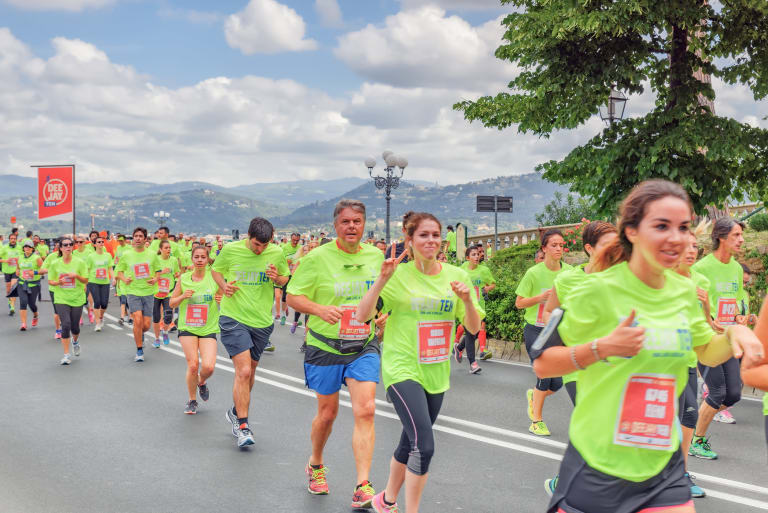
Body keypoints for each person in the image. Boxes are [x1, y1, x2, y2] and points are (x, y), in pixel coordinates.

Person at [533, 179, 764, 513]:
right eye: (661, 226)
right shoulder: (593, 289)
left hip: (662, 461)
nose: (676, 237)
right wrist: (602, 347)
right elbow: (542, 362)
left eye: (683, 227)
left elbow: (705, 351)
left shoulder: (683, 291)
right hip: (600, 462)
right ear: (632, 232)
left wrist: (732, 335)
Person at [356, 212, 482, 513]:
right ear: (409, 241)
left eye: (435, 235)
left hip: (436, 371)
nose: (431, 241)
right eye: (423, 235)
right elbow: (362, 316)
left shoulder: (457, 276)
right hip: (402, 369)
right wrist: (381, 280)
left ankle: (385, 500)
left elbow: (474, 329)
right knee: (424, 446)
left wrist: (466, 301)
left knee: (408, 441)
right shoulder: (397, 274)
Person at [286, 200, 384, 507]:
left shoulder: (376, 255)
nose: (351, 226)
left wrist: (382, 315)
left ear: (364, 224)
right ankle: (315, 463)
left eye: (357, 221)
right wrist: (319, 309)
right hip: (325, 345)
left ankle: (363, 485)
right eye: (346, 222)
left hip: (363, 345)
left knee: (366, 409)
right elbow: (292, 296)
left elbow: (381, 294)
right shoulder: (316, 258)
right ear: (336, 226)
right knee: (327, 414)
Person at [538, 220, 619, 496]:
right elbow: (549, 313)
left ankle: (566, 482)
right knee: (598, 427)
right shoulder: (568, 278)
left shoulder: (623, 279)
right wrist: (562, 338)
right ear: (589, 248)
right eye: (608, 244)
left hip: (614, 369)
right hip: (578, 366)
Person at [211, 217, 289, 448]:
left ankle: (236, 411)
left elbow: (286, 279)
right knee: (243, 371)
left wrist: (278, 278)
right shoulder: (230, 250)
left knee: (250, 371)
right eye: (256, 244)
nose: (260, 249)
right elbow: (216, 270)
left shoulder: (276, 252)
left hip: (262, 321)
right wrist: (224, 287)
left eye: (264, 246)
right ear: (248, 236)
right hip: (233, 317)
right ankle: (243, 426)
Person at [690, 217, 745, 458]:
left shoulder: (736, 267)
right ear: (721, 237)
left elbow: (739, 297)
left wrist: (742, 315)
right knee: (718, 392)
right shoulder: (701, 268)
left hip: (726, 338)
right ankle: (695, 440)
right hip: (705, 338)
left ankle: (692, 421)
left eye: (741, 235)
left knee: (733, 394)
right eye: (736, 235)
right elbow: (692, 302)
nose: (741, 240)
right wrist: (710, 319)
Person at [516, 229, 572, 436]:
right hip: (536, 329)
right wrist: (540, 298)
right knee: (544, 374)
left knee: (557, 383)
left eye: (561, 245)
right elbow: (519, 303)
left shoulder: (569, 272)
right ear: (544, 248)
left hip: (557, 331)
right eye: (554, 245)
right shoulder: (533, 273)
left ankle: (534, 395)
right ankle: (536, 421)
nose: (559, 249)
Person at [673, 230, 711, 498]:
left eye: (695, 246)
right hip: (655, 367)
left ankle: (680, 474)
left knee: (688, 415)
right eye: (685, 246)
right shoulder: (656, 280)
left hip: (686, 361)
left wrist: (706, 306)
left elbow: (706, 327)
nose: (691, 251)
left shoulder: (700, 282)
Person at [170, 246, 221, 414]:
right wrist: (183, 296)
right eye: (196, 257)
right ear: (191, 259)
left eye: (203, 257)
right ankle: (192, 400)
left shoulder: (214, 278)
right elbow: (172, 303)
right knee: (193, 365)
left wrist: (222, 299)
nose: (199, 260)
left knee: (209, 367)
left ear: (207, 260)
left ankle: (201, 381)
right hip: (187, 326)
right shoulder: (184, 278)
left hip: (208, 328)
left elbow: (225, 297)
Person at [116, 227, 160, 362]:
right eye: (136, 236)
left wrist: (155, 279)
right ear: (133, 238)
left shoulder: (152, 254)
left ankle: (139, 335)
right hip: (133, 291)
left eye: (141, 236)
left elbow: (158, 270)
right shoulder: (127, 255)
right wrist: (124, 279)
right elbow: (119, 271)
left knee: (146, 325)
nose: (138, 238)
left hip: (148, 292)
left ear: (145, 239)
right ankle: (139, 350)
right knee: (138, 320)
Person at [454, 245, 496, 373]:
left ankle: (460, 347)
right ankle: (473, 364)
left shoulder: (484, 270)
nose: (477, 256)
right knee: (471, 334)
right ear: (467, 258)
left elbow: (493, 284)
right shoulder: (461, 270)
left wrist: (486, 289)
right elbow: (454, 284)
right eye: (473, 254)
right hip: (466, 307)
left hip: (479, 307)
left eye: (478, 254)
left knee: (476, 333)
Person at [48, 237, 89, 365]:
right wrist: (58, 282)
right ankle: (66, 354)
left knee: (75, 327)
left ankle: (75, 342)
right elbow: (50, 281)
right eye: (65, 245)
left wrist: (76, 276)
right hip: (61, 297)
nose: (68, 247)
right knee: (65, 324)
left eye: (70, 244)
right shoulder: (55, 264)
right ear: (60, 248)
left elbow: (85, 280)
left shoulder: (80, 262)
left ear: (73, 247)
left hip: (77, 298)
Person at [152, 240, 180, 347]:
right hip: (156, 292)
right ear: (160, 249)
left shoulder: (173, 260)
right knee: (156, 317)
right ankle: (156, 338)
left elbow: (177, 273)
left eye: (169, 248)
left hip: (168, 292)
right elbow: (151, 275)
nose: (168, 249)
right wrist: (161, 272)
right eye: (166, 248)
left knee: (168, 315)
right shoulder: (156, 260)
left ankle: (165, 332)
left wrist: (177, 275)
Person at [85, 236, 113, 332]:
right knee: (97, 302)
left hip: (105, 281)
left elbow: (110, 268)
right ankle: (97, 323)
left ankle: (101, 317)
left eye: (102, 241)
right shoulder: (91, 256)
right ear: (94, 244)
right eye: (99, 242)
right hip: (93, 281)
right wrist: (86, 282)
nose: (101, 243)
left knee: (104, 304)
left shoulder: (108, 256)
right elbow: (87, 269)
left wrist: (113, 278)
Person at [15, 240, 43, 331]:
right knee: (23, 301)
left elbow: (44, 270)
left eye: (29, 247)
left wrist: (34, 272)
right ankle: (23, 323)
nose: (27, 248)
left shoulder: (36, 258)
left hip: (34, 284)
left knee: (31, 304)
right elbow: (18, 269)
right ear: (23, 248)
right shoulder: (20, 257)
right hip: (22, 283)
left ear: (32, 249)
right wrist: (18, 272)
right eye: (25, 246)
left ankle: (35, 314)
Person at [1, 232, 21, 315]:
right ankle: (10, 302)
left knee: (13, 287)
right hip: (6, 270)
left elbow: (23, 258)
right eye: (11, 239)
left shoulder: (19, 248)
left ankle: (12, 307)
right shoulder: (4, 248)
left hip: (15, 270)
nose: (13, 240)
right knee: (8, 289)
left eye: (14, 239)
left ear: (16, 240)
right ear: (9, 240)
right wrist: (6, 260)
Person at [114, 235, 131, 325]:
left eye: (121, 240)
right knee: (123, 300)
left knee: (128, 300)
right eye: (118, 240)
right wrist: (116, 281)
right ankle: (123, 317)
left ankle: (129, 317)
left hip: (129, 281)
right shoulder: (118, 248)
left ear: (125, 240)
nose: (120, 242)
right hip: (121, 283)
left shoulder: (129, 248)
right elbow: (116, 261)